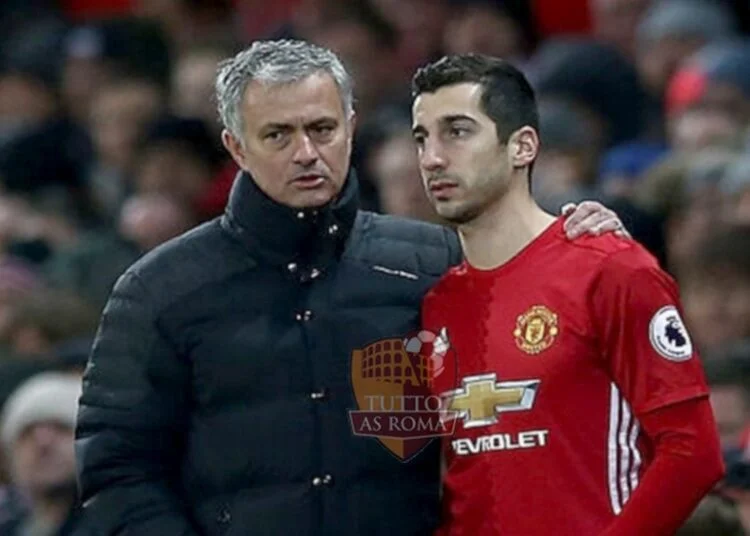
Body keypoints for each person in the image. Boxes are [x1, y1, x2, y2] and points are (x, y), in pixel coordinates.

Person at [74, 40, 626, 535]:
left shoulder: (439, 261)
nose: (307, 153)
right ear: (236, 148)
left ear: (351, 127)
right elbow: (118, 466)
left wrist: (590, 251)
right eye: (278, 135)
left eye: (322, 129)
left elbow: (550, 382)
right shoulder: (158, 290)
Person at [414, 54, 724, 535]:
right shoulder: (436, 303)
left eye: (457, 131)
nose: (433, 158)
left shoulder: (609, 269)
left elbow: (693, 452)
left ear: (523, 146)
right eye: (422, 138)